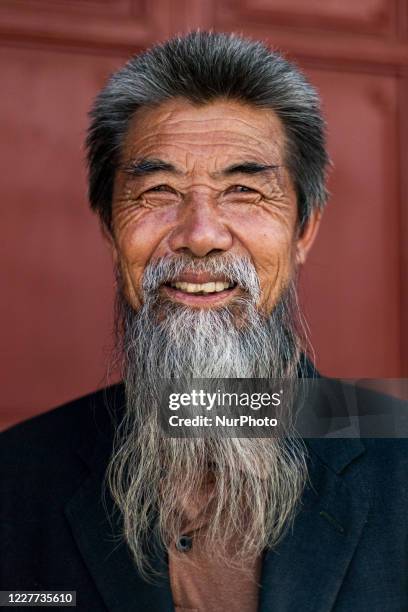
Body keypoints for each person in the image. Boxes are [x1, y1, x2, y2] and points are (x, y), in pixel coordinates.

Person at [1, 31, 407, 612]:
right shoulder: (17, 478)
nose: (200, 235)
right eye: (158, 190)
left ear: (303, 231)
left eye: (244, 190)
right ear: (110, 231)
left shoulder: (394, 440)